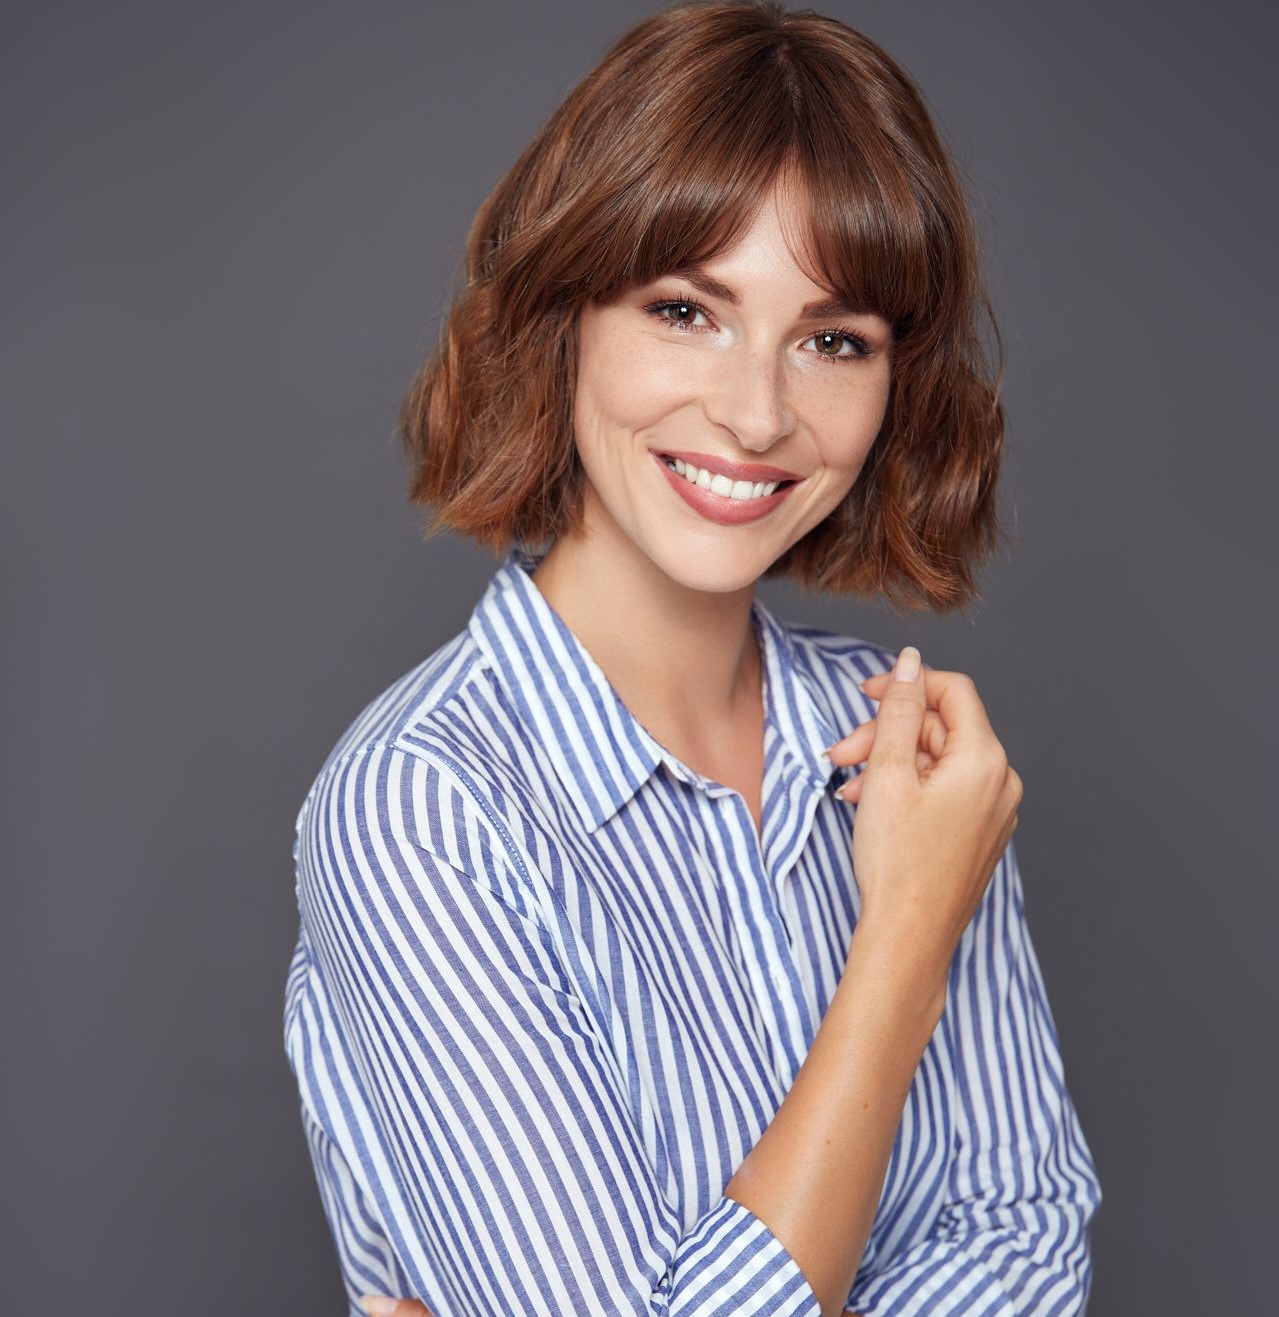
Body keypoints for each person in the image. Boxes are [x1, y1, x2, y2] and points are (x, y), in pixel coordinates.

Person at [281, 2, 1103, 1314]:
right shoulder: (421, 809)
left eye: (836, 340)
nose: (759, 410)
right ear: (563, 315)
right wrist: (903, 943)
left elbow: (1023, 1239)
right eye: (685, 310)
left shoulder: (907, 754)